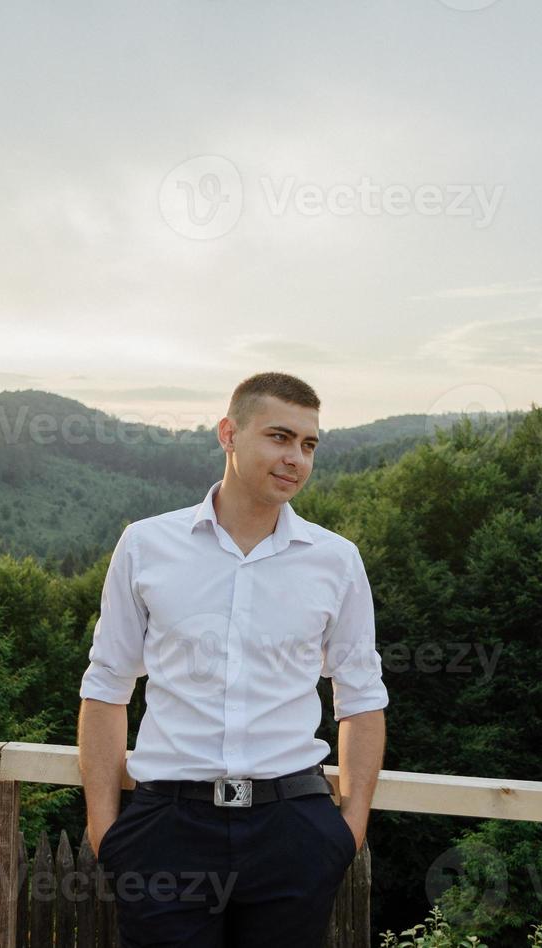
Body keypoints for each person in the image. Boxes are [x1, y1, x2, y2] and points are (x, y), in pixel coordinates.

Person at [77, 371, 389, 947]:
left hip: (293, 829)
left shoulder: (336, 561)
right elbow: (106, 687)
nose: (296, 457)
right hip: (167, 832)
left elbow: (362, 696)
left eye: (309, 444)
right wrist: (105, 830)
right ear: (228, 433)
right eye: (279, 436)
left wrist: (349, 829)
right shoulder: (145, 546)